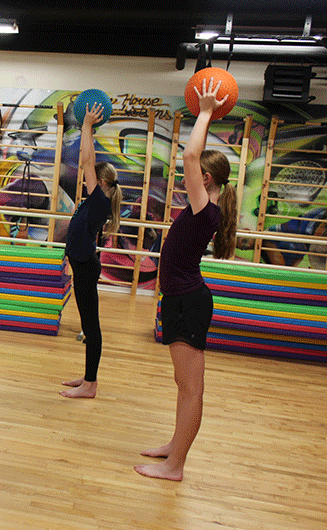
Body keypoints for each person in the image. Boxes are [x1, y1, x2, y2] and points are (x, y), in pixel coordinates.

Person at [135, 77, 237, 481]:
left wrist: (207, 112)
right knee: (183, 384)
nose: (187, 173)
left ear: (206, 181)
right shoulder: (204, 208)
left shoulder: (202, 208)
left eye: (197, 173)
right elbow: (195, 160)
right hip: (180, 300)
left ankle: (175, 466)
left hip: (188, 303)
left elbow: (191, 156)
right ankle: (174, 447)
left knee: (192, 389)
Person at [60, 102, 122, 399]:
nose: (87, 180)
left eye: (93, 178)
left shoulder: (99, 200)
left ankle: (91, 384)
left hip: (85, 266)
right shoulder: (96, 200)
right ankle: (87, 378)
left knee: (91, 326)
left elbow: (86, 159)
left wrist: (86, 126)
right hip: (83, 263)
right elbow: (87, 163)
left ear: (103, 182)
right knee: (88, 324)